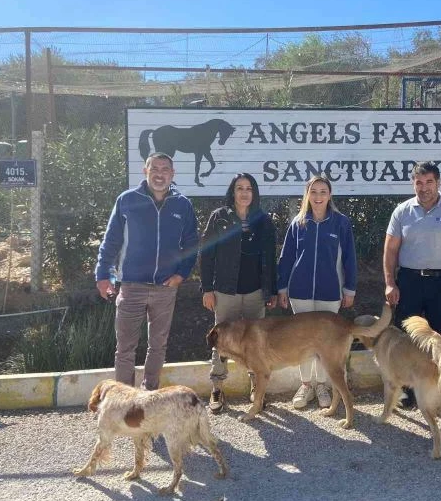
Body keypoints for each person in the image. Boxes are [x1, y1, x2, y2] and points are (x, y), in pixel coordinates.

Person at [95, 152, 198, 391]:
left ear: (172, 174)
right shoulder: (127, 200)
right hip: (131, 287)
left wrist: (181, 275)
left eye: (165, 170)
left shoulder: (182, 205)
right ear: (145, 171)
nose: (159, 174)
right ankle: (123, 401)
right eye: (155, 169)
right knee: (125, 349)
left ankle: (149, 394)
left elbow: (192, 243)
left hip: (165, 288)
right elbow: (110, 241)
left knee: (158, 346)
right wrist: (103, 275)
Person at [383, 161, 441, 408]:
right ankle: (411, 394)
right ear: (414, 184)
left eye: (429, 182)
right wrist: (390, 283)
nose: (424, 188)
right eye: (419, 183)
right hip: (409, 281)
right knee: (406, 341)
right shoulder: (402, 211)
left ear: (438, 182)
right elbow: (390, 250)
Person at [200, 172, 278, 413]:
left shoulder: (263, 221)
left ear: (254, 193)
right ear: (232, 192)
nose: (244, 193)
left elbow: (270, 259)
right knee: (220, 342)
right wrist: (207, 288)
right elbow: (206, 254)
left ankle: (257, 389)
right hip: (225, 292)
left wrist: (271, 290)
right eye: (239, 188)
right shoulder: (219, 217)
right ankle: (217, 389)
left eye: (249, 188)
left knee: (257, 345)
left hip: (255, 293)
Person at [277, 175, 357, 410]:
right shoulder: (298, 222)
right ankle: (305, 385)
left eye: (323, 192)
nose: (318, 196)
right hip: (299, 292)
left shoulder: (341, 223)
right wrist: (282, 287)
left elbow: (350, 259)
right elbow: (286, 258)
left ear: (330, 195)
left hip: (330, 292)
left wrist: (349, 288)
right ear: (307, 195)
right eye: (314, 192)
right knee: (301, 341)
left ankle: (322, 385)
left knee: (325, 342)